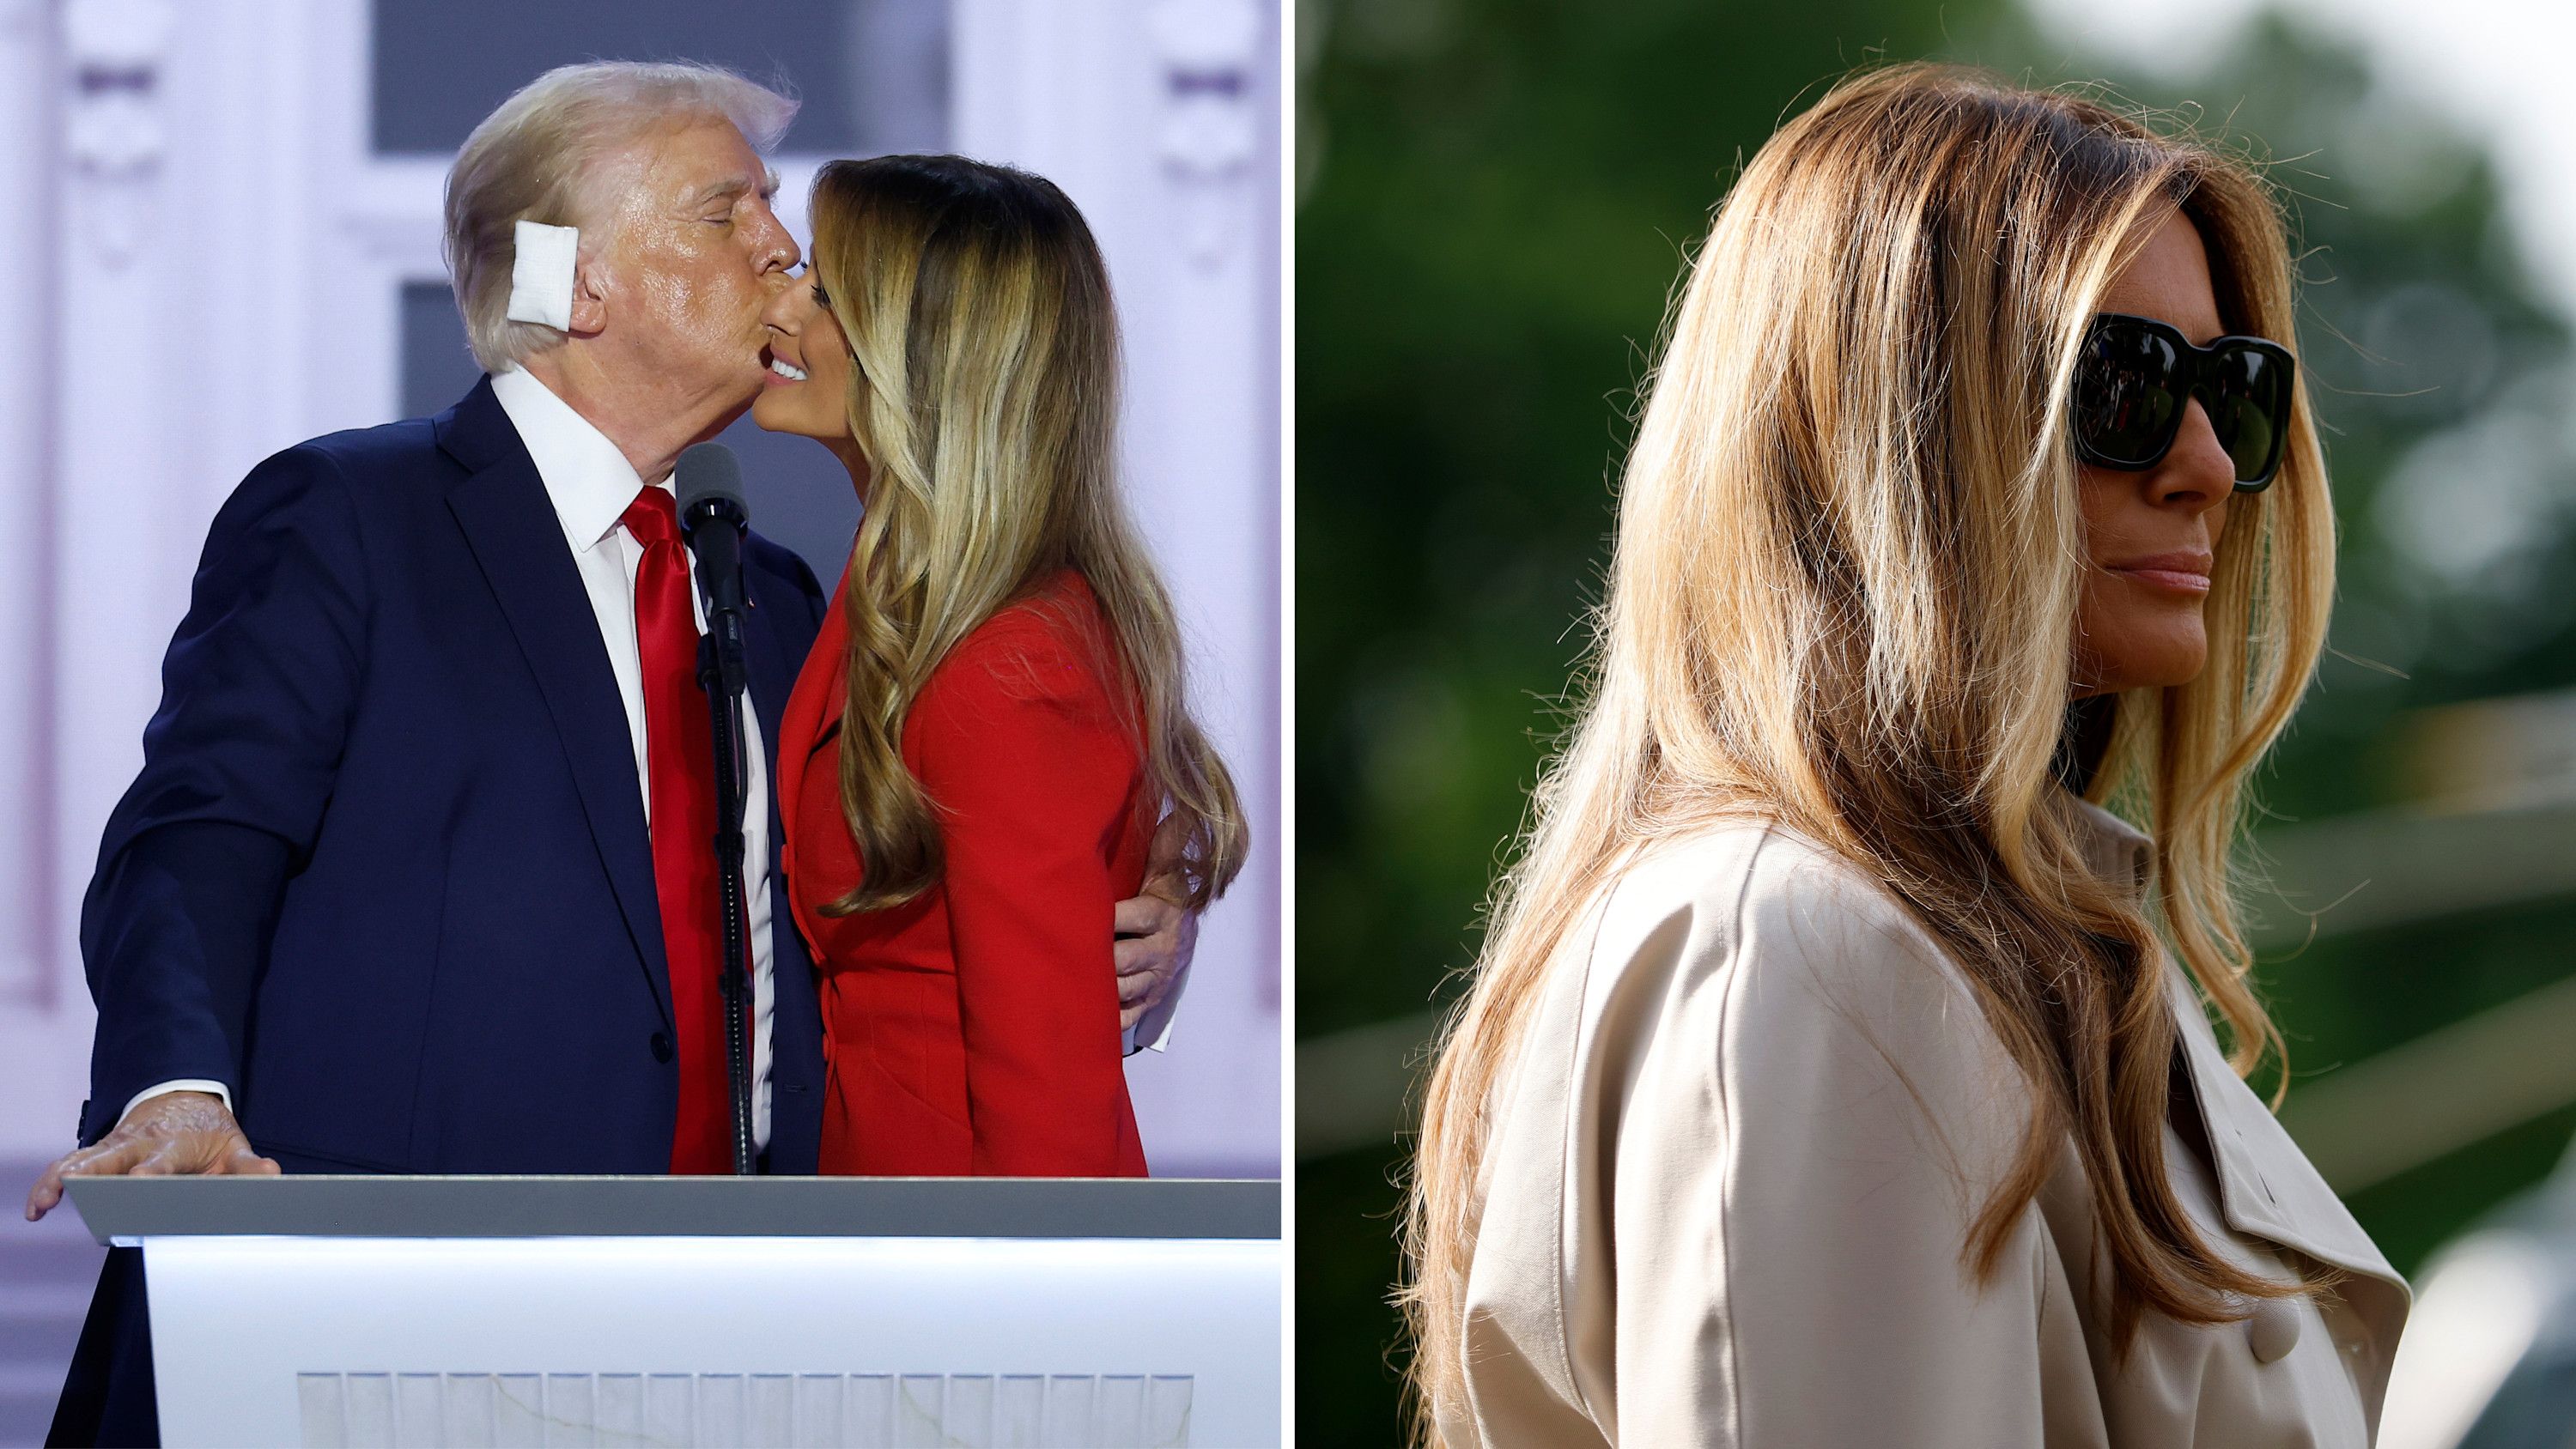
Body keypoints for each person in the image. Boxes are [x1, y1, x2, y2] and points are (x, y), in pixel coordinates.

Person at [26, 64, 1200, 1447]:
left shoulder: (775, 600)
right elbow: (196, 837)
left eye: (774, 213)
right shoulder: (351, 518)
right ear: (571, 285)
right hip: (365, 1342)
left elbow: (900, 904)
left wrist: (1134, 914)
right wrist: (172, 1086)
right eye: (726, 214)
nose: (783, 248)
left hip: (714, 1360)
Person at [1401, 65, 2409, 1447]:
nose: (2205, 465)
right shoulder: (1807, 957)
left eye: (2231, 394)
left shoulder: (1912, 947)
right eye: (2122, 384)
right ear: (1899, 437)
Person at [749, 155, 1248, 1176]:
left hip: (964, 1273)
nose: (786, 300)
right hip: (882, 1239)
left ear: (924, 353)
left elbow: (1047, 1106)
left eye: (829, 290)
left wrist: (1029, 1330)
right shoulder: (916, 605)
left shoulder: (1010, 661)